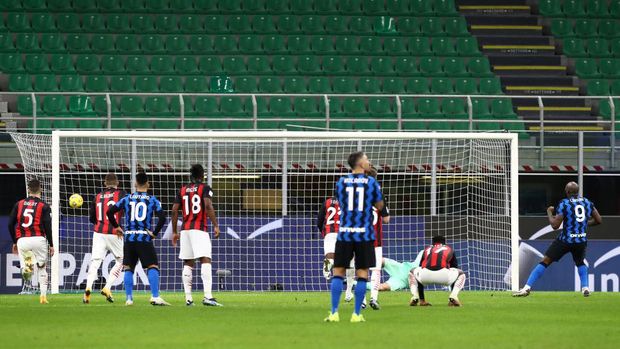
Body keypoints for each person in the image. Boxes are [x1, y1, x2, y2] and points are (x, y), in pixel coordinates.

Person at [513, 181, 602, 297]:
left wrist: (549, 213)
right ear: (577, 191)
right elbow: (599, 220)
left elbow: (555, 226)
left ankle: (526, 288)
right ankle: (585, 288)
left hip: (565, 240)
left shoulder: (564, 204)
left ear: (567, 192)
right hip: (581, 240)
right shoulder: (587, 202)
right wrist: (584, 223)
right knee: (580, 262)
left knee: (545, 261)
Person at [325, 151, 384, 323]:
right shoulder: (371, 182)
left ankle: (334, 313)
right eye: (366, 159)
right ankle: (357, 314)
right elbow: (380, 205)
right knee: (362, 273)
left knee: (338, 272)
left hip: (344, 233)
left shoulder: (341, 182)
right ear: (359, 164)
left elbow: (341, 201)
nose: (369, 161)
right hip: (364, 235)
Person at [107, 172, 169, 306]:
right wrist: (155, 233)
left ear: (135, 184)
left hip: (129, 237)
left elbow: (109, 212)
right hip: (143, 237)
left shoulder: (127, 198)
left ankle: (129, 299)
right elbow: (162, 218)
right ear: (148, 184)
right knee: (152, 266)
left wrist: (117, 226)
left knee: (128, 267)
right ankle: (155, 296)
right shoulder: (152, 200)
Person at [171, 164, 222, 307]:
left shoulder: (182, 190)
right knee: (205, 259)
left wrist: (175, 231)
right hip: (199, 229)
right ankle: (208, 296)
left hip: (185, 230)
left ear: (190, 175)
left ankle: (188, 299)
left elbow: (174, 210)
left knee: (188, 262)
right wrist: (216, 225)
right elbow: (208, 205)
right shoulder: (205, 188)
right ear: (202, 175)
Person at [8, 178, 54, 304]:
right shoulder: (44, 206)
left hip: (23, 240)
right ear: (41, 190)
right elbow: (47, 226)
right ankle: (43, 297)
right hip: (38, 239)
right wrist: (51, 244)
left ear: (28, 190)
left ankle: (26, 268)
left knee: (27, 270)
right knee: (42, 268)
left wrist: (14, 242)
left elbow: (10, 224)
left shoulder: (19, 204)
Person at [84, 173, 125, 304]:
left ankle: (88, 288)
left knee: (95, 261)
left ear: (104, 184)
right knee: (122, 260)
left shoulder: (97, 196)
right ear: (117, 183)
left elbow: (91, 217)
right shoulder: (121, 194)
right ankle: (107, 287)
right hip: (114, 231)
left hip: (99, 233)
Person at [409, 235, 466, 307]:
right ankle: (453, 296)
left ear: (433, 243)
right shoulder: (449, 249)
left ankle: (417, 298)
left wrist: (422, 299)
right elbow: (454, 268)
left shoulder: (427, 249)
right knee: (461, 273)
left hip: (425, 277)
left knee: (412, 272)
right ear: (444, 243)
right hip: (444, 277)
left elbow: (421, 267)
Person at [366, 166, 390, 310]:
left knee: (360, 269)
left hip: (359, 237)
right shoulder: (379, 196)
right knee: (375, 270)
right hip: (376, 240)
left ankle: (361, 300)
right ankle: (374, 298)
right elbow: (386, 220)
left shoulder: (357, 195)